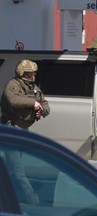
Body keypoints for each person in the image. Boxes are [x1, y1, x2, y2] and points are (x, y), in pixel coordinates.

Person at [0, 59, 50, 204]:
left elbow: (44, 102)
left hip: (23, 129)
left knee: (13, 168)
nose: (33, 76)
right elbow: (13, 100)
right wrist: (33, 103)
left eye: (34, 73)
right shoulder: (13, 85)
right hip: (11, 129)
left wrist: (42, 110)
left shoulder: (32, 87)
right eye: (30, 74)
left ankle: (9, 197)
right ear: (23, 73)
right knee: (17, 169)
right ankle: (33, 201)